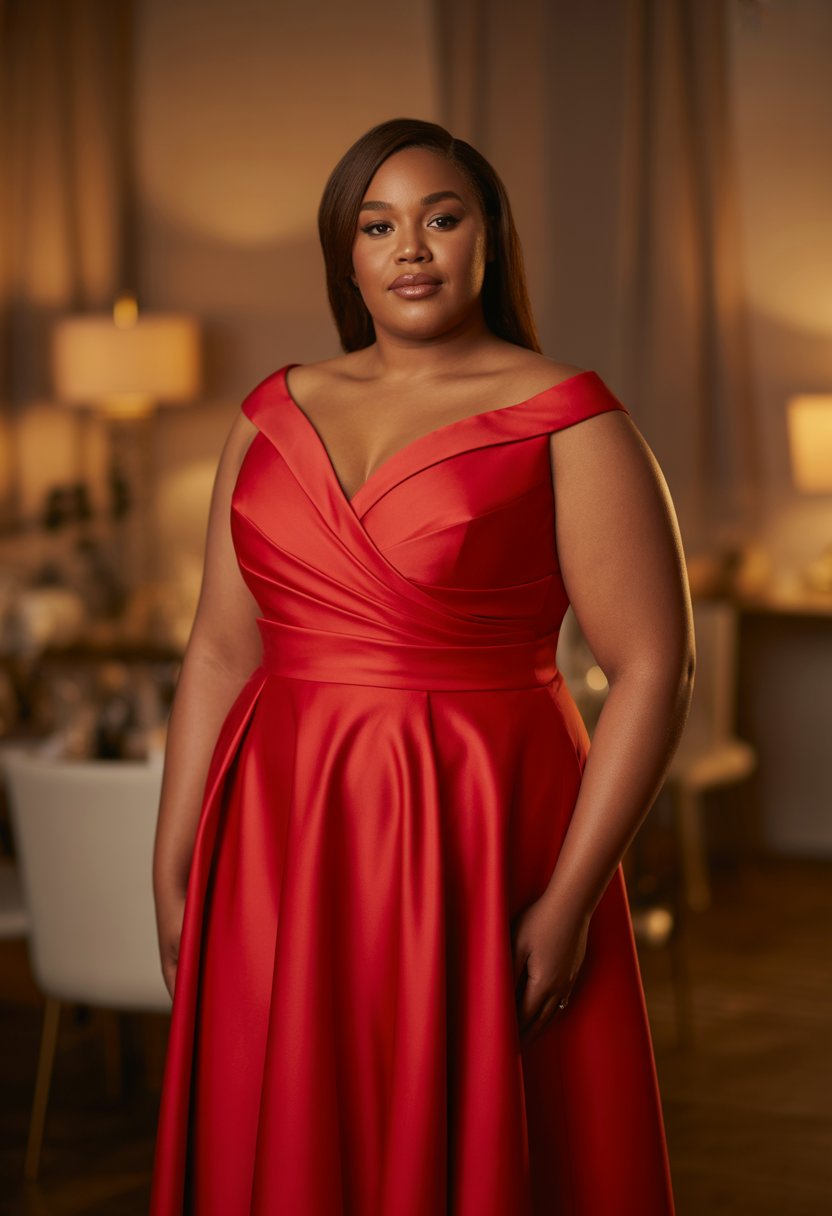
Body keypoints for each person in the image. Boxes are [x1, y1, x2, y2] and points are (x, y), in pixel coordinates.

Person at [149, 116, 693, 1215]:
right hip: (277, 827)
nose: (411, 248)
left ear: (487, 236)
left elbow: (652, 667)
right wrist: (174, 849)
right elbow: (218, 646)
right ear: (344, 254)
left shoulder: (570, 420)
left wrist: (573, 898)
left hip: (477, 817)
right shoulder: (267, 414)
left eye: (440, 218)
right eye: (377, 224)